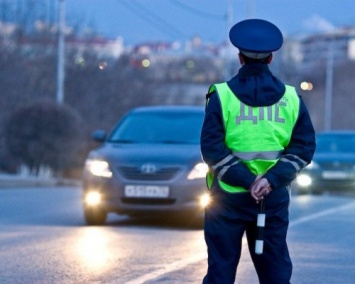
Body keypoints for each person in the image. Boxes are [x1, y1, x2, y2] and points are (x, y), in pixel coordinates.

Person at [200, 19, 316, 284]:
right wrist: (268, 181)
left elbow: (212, 149)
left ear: (239, 57)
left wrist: (246, 180)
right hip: (271, 200)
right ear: (271, 58)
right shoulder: (291, 98)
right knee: (275, 273)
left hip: (226, 201)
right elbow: (303, 148)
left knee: (220, 271)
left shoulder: (221, 95)